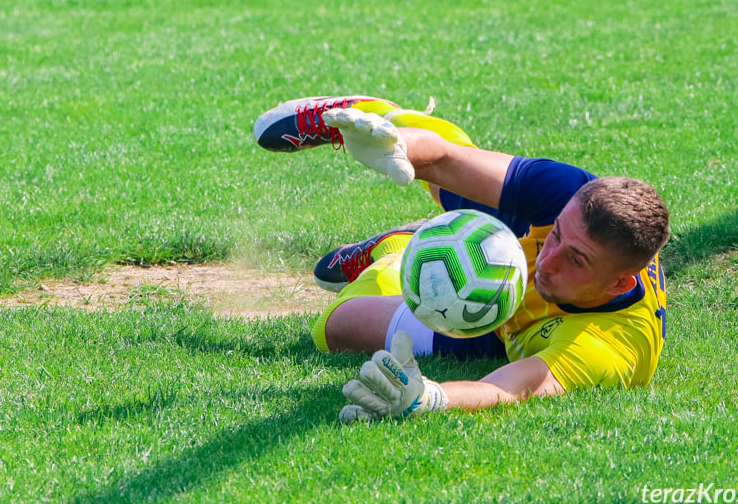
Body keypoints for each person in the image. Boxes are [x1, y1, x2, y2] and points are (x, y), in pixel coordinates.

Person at [253, 96, 670, 422]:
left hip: (499, 324)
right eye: (557, 235)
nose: (547, 261)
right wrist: (393, 146)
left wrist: (428, 398)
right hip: (508, 243)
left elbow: (506, 390)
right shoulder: (567, 193)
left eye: (576, 260)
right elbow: (445, 159)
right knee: (431, 171)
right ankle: (367, 113)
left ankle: (399, 248)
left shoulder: (608, 347)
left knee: (333, 328)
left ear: (619, 283)